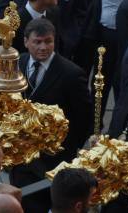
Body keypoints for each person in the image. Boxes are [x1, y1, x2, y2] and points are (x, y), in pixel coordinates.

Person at [19, 18, 91, 167]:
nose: (43, 47)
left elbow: (84, 116)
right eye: (37, 42)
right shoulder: (18, 63)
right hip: (22, 151)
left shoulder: (72, 74)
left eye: (48, 41)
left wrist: (68, 147)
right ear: (26, 42)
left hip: (55, 155)